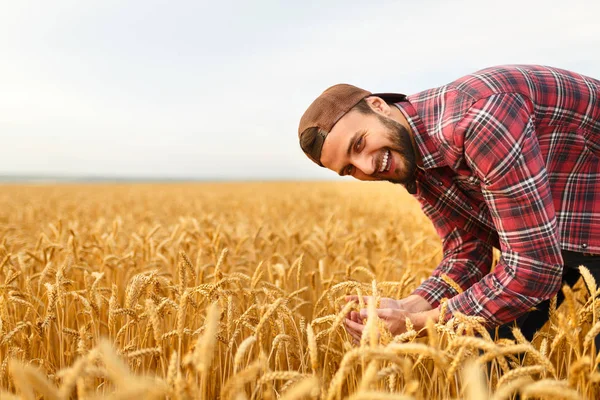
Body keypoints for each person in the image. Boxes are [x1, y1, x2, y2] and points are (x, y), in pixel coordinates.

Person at [297, 65, 600, 345]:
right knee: (491, 358)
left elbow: (535, 269)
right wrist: (407, 307)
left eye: (359, 143)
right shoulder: (405, 154)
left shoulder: (479, 121)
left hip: (575, 226)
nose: (367, 165)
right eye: (350, 169)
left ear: (378, 106)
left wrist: (417, 323)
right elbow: (467, 250)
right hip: (556, 233)